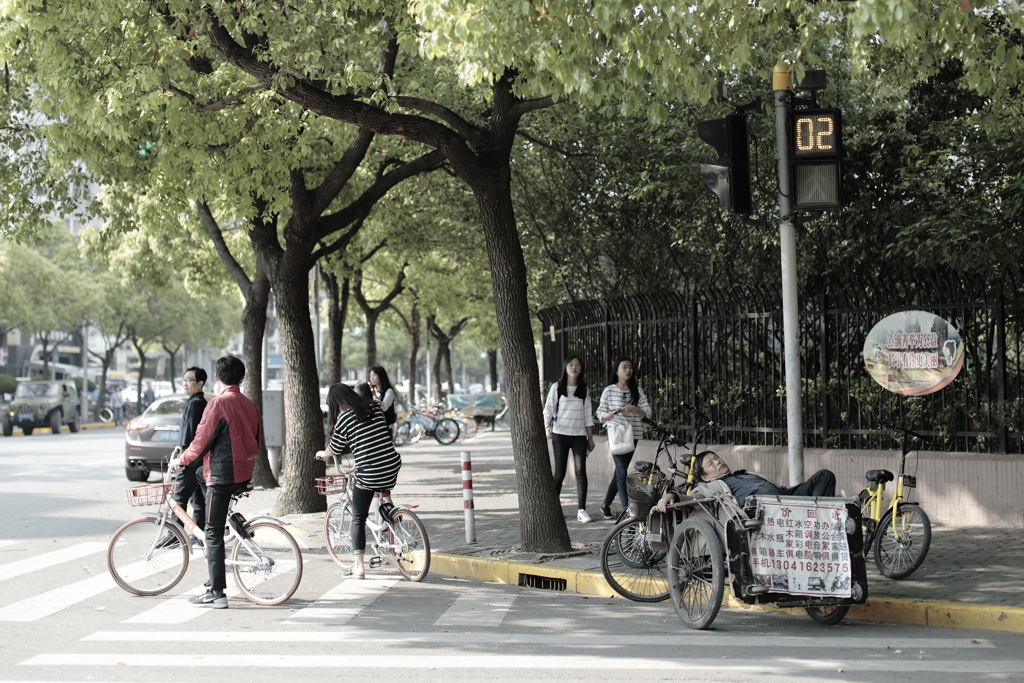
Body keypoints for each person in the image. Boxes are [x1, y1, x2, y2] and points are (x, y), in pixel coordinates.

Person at [169, 356, 260, 609]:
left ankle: (217, 592)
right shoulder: (250, 404)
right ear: (242, 378)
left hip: (222, 475)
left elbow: (200, 442)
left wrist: (182, 460)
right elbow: (256, 439)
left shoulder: (217, 404)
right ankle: (229, 521)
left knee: (212, 532)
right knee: (200, 481)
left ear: (217, 378)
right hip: (244, 471)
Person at [320, 382, 402, 579]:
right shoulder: (375, 406)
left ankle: (359, 567)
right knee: (382, 488)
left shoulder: (344, 418)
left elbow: (335, 449)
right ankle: (393, 526)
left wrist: (323, 454)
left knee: (358, 518)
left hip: (370, 471)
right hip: (392, 464)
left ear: (336, 403)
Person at [657, 450, 836, 511]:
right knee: (767, 495)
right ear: (705, 476)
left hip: (783, 495)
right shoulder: (711, 486)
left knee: (825, 475)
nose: (718, 462)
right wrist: (671, 496)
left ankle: (820, 517)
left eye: (717, 458)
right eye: (711, 463)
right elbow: (694, 497)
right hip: (761, 507)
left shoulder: (742, 474)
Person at [596, 357, 651, 520]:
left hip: (633, 434)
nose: (628, 370)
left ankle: (605, 505)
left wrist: (634, 409)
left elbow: (648, 413)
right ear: (617, 371)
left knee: (619, 471)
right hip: (617, 434)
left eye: (630, 367)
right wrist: (610, 414)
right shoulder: (609, 390)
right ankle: (627, 508)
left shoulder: (637, 391)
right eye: (624, 367)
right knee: (621, 470)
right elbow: (599, 413)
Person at [542, 355, 596, 523]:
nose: (574, 367)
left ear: (581, 369)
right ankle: (553, 510)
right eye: (571, 364)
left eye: (577, 365)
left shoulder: (584, 389)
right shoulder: (557, 387)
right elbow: (548, 409)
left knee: (581, 472)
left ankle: (581, 510)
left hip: (579, 436)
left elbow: (588, 415)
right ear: (565, 368)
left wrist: (590, 438)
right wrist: (547, 427)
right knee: (559, 473)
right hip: (560, 435)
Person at [172, 367, 208, 542]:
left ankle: (174, 535)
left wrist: (181, 458)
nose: (185, 383)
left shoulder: (195, 404)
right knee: (198, 501)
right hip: (197, 460)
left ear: (200, 383)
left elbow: (189, 435)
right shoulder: (198, 402)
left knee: (179, 500)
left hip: (190, 460)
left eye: (189, 380)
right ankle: (198, 534)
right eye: (183, 380)